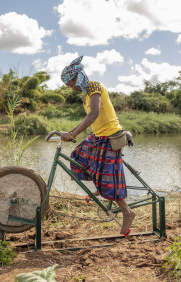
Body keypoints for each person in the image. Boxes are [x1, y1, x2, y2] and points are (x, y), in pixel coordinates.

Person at [60, 56, 136, 236]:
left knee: (109, 178)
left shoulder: (94, 87)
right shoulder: (86, 95)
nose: (73, 88)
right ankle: (101, 186)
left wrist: (73, 134)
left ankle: (127, 211)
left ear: (78, 77)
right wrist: (69, 132)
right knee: (78, 155)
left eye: (71, 84)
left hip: (111, 136)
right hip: (99, 136)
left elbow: (94, 114)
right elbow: (89, 119)